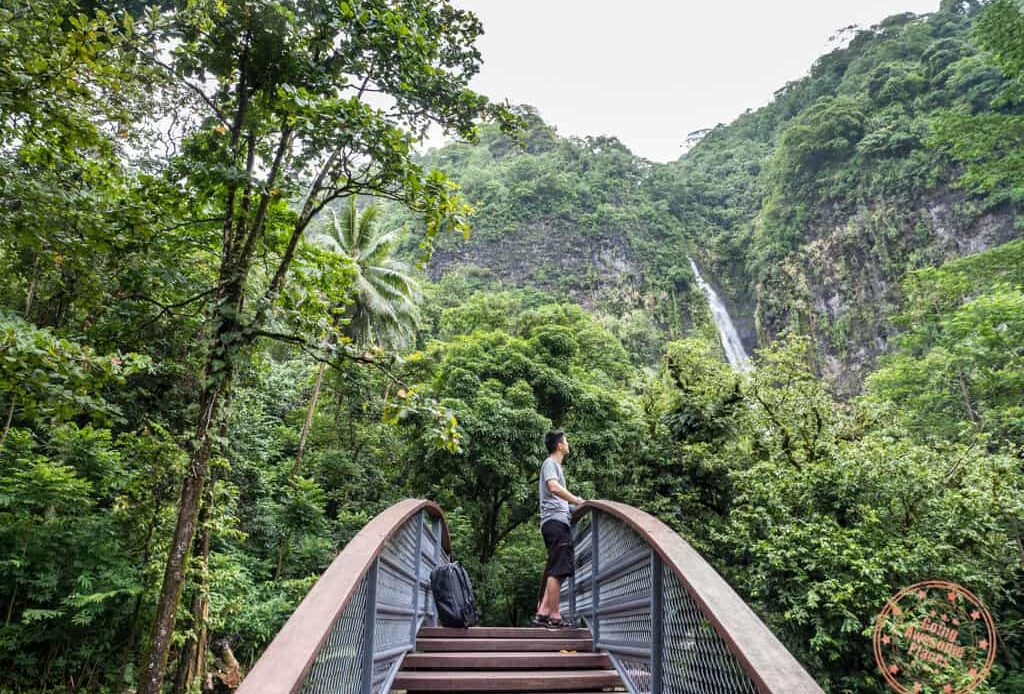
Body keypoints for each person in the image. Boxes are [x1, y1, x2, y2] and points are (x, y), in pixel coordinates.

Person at [532, 430, 584, 629]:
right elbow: (553, 488)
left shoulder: (555, 466)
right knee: (558, 569)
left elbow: (558, 500)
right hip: (555, 523)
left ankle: (543, 611)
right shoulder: (550, 464)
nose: (568, 444)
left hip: (557, 521)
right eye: (566, 441)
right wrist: (577, 500)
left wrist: (574, 507)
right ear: (560, 445)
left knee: (558, 567)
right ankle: (555, 615)